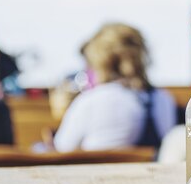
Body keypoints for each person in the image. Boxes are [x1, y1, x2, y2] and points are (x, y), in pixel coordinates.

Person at [53, 23, 175, 151]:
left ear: (100, 61)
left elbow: (62, 148)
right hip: (147, 170)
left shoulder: (90, 101)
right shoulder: (163, 99)